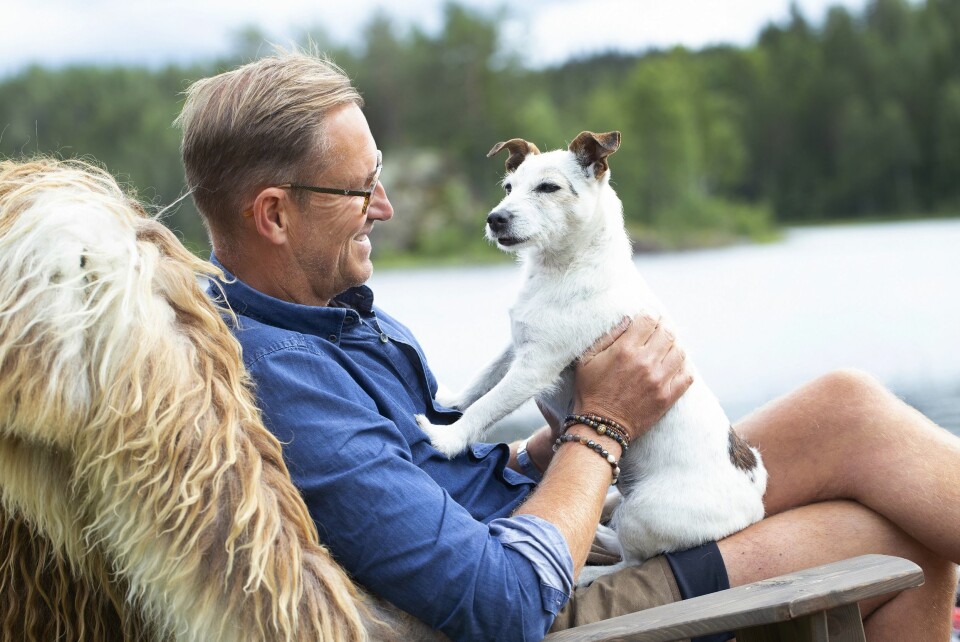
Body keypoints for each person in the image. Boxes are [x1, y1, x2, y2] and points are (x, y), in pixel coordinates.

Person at [176, 50, 960, 641]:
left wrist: (542, 449)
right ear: (274, 216)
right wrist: (603, 427)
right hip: (546, 599)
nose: (383, 206)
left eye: (376, 177)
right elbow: (498, 601)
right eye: (360, 188)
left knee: (847, 406)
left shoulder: (333, 316)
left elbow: (429, 475)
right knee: (900, 544)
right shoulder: (286, 385)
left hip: (549, 516)